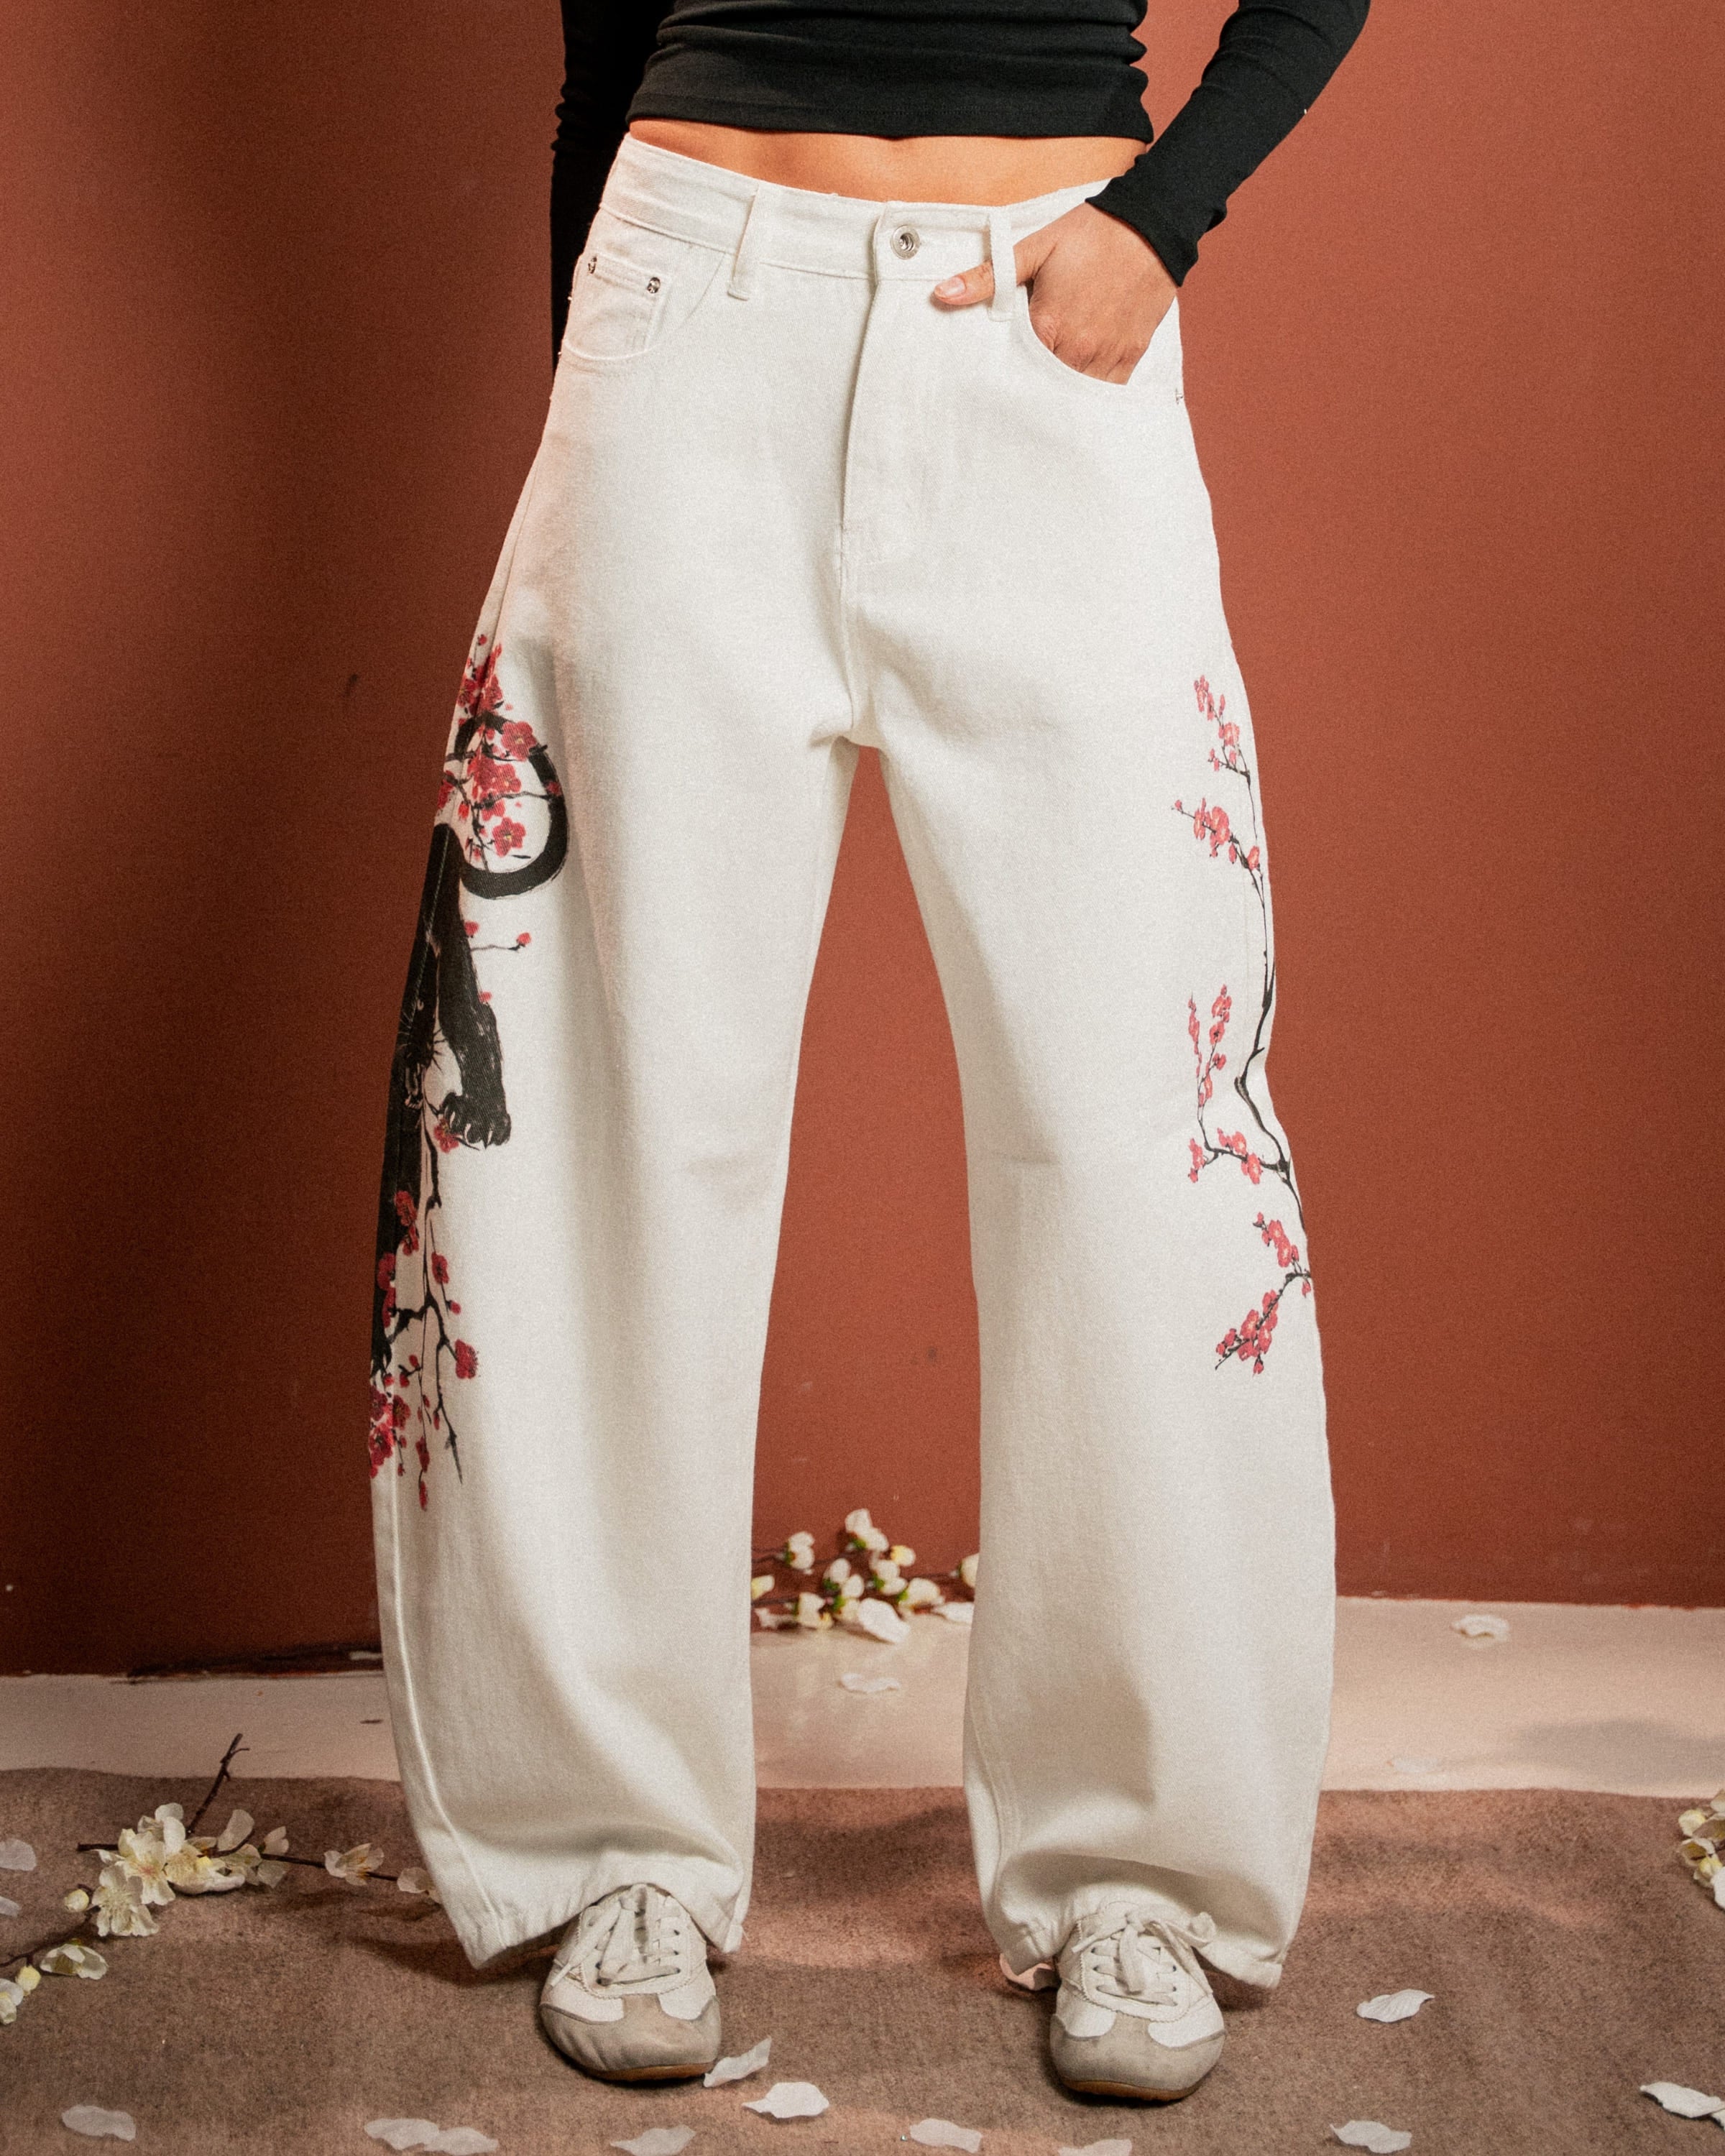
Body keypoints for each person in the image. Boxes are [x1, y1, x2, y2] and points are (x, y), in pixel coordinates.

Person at [366, 0, 1368, 2108]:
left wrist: (1164, 217)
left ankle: (1138, 1871)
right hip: (684, 312)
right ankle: (612, 1847)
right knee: (615, 1117)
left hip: (1052, 306)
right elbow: (606, 35)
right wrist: (595, 395)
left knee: (1134, 1123)